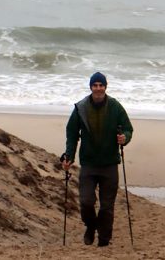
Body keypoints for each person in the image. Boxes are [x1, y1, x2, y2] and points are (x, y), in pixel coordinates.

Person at [61, 71, 133, 247]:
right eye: (95, 85)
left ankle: (104, 239)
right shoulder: (81, 108)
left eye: (101, 85)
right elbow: (72, 134)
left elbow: (128, 129)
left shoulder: (115, 107)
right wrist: (69, 156)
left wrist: (124, 137)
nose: (98, 88)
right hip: (89, 163)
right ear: (91, 87)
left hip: (109, 163)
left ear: (105, 87)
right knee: (86, 202)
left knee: (107, 207)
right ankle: (91, 226)